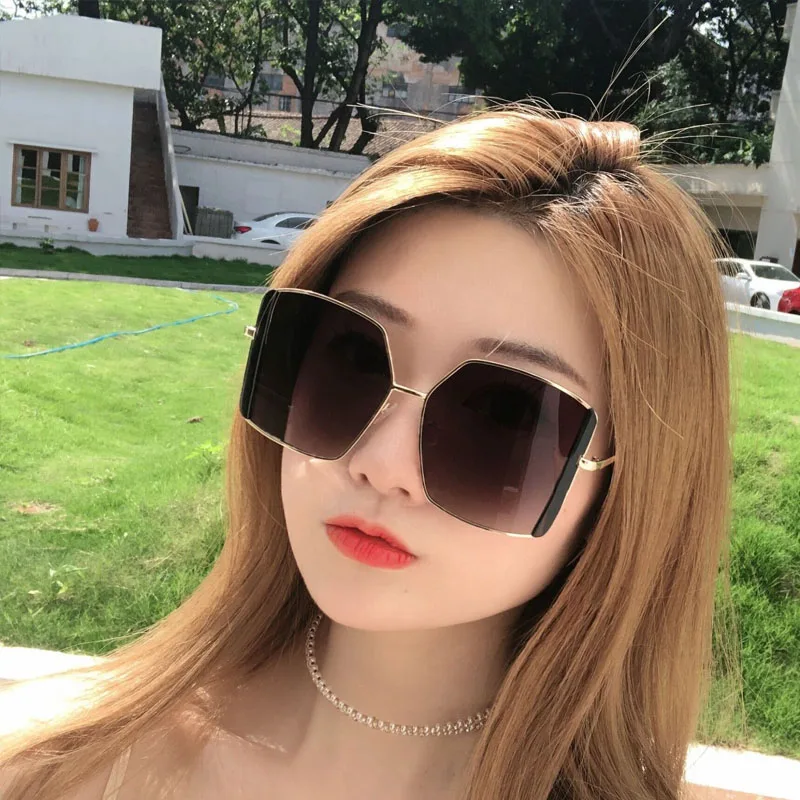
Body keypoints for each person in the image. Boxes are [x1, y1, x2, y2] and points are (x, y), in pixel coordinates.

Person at [0, 107, 732, 800]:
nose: (381, 463)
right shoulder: (58, 769)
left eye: (506, 414)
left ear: (628, 482)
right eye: (351, 357)